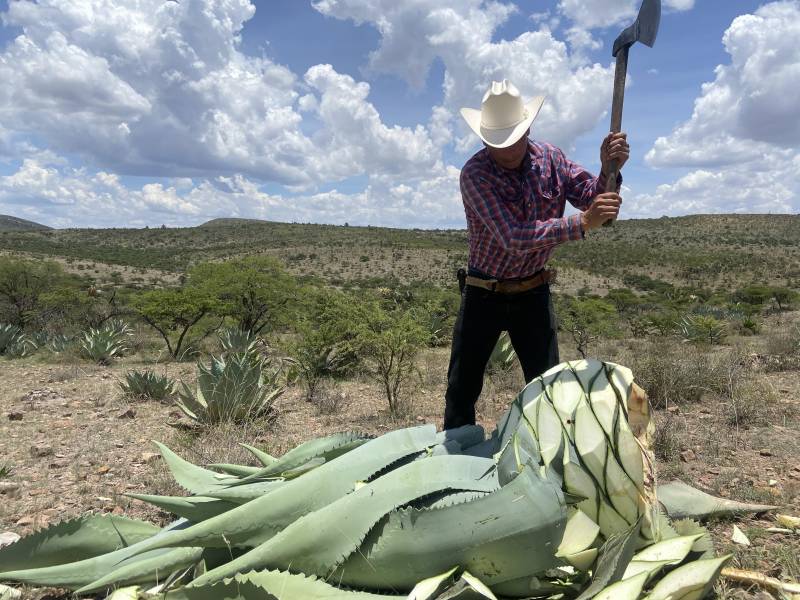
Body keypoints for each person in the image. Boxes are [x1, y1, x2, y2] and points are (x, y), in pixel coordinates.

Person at [443, 79, 629, 429]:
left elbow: (591, 196)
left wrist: (608, 170)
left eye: (514, 139)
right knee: (462, 388)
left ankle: (546, 462)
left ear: (528, 128)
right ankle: (455, 456)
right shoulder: (475, 175)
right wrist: (585, 222)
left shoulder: (552, 158)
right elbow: (512, 237)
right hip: (484, 291)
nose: (508, 150)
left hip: (534, 292)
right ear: (483, 139)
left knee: (549, 387)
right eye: (498, 143)